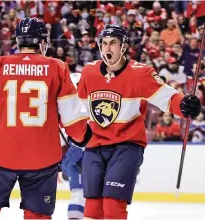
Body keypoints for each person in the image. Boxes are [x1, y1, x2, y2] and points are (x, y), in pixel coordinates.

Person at [62, 24, 201, 219]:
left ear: (124, 47)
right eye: (104, 43)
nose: (107, 48)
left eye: (113, 43)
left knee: (112, 206)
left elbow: (167, 97)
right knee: (93, 208)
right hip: (94, 146)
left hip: (126, 146)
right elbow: (79, 108)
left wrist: (184, 105)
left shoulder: (140, 73)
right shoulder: (88, 72)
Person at [0, 17, 91, 219]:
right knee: (38, 215)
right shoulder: (57, 67)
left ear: (19, 41)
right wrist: (82, 136)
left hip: (0, 156)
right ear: (42, 42)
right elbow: (73, 116)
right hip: (43, 159)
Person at [61, 72, 85, 220]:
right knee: (80, 192)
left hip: (77, 155)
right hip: (79, 155)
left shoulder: (63, 108)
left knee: (79, 192)